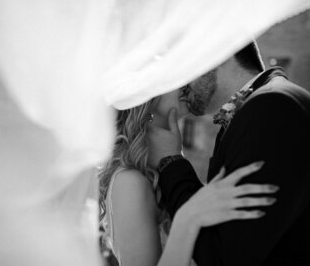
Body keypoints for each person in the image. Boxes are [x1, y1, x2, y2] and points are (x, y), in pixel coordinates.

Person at [148, 42, 310, 266]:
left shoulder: (274, 110)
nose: (179, 81)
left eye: (183, 65)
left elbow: (222, 257)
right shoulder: (265, 105)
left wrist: (170, 163)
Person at [98, 88, 280, 266]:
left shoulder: (162, 167)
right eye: (172, 77)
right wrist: (188, 218)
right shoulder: (130, 181)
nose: (185, 82)